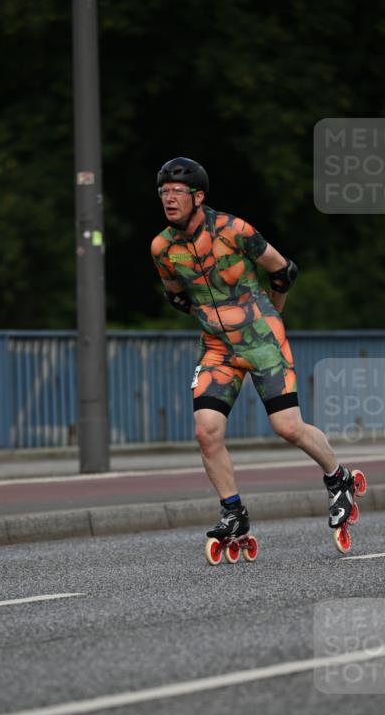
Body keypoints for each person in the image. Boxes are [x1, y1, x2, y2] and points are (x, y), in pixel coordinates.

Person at [150, 156, 355, 542]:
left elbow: (283, 270)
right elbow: (176, 297)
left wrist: (271, 319)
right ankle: (233, 513)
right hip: (217, 348)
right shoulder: (162, 247)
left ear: (198, 196)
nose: (169, 199)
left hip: (261, 340)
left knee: (287, 427)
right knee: (206, 432)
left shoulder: (233, 228)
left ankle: (338, 477)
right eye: (164, 192)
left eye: (178, 192)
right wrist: (212, 320)